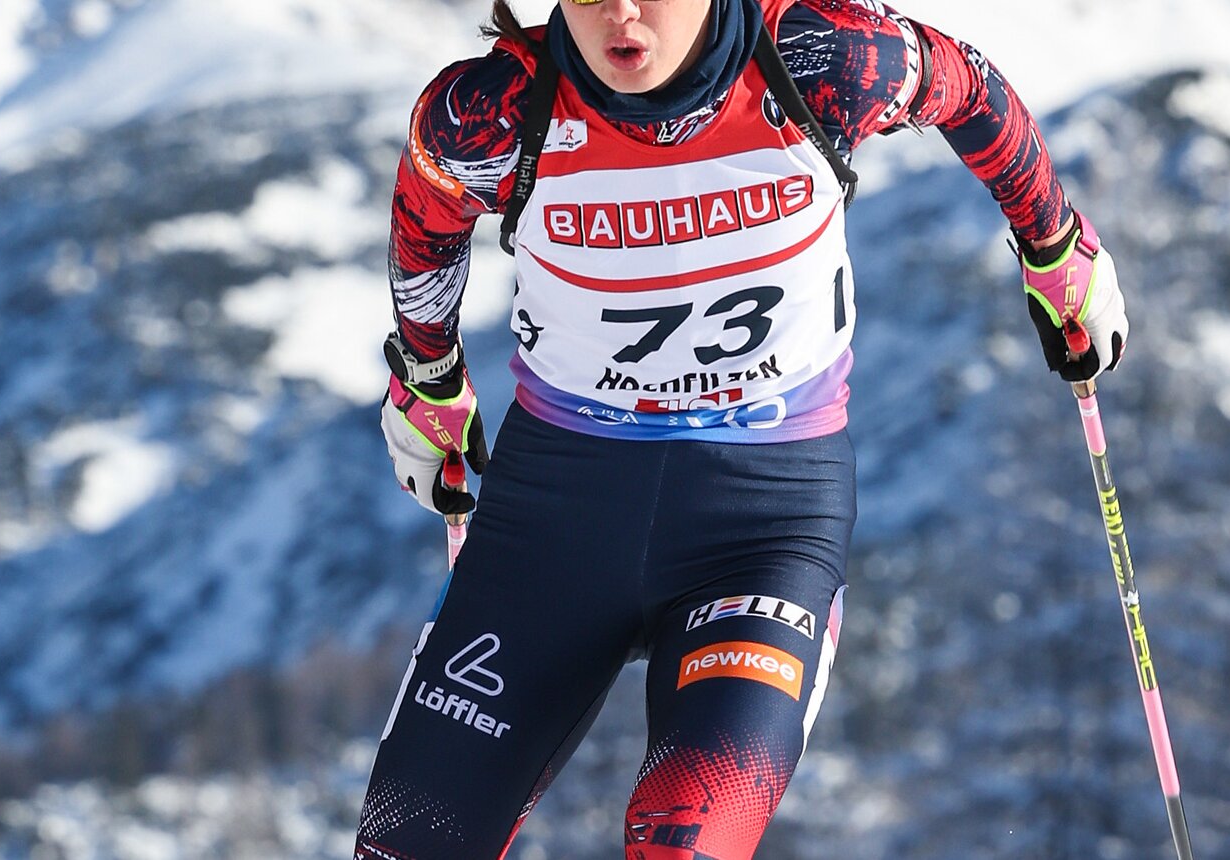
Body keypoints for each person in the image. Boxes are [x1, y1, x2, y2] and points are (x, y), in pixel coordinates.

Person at [360, 0, 1128, 857]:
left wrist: (1056, 246)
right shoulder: (495, 111)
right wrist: (427, 378)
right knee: (405, 846)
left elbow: (971, 90)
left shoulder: (819, 59)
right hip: (555, 524)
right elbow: (428, 221)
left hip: (760, 527)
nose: (620, 12)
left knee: (681, 842)